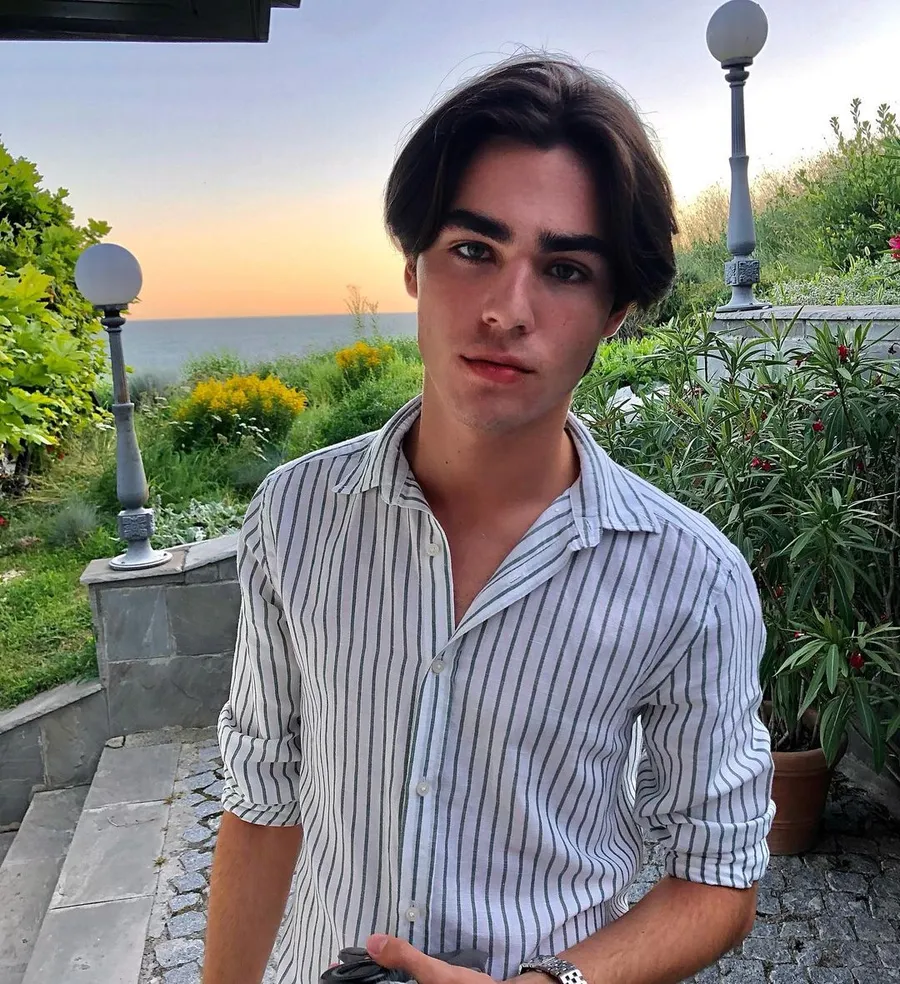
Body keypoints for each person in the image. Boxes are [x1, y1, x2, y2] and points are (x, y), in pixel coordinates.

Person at [203, 54, 775, 984]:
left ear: (615, 314)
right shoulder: (295, 516)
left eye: (565, 269)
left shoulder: (690, 579)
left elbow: (717, 877)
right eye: (474, 250)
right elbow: (263, 797)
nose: (508, 311)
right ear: (414, 265)